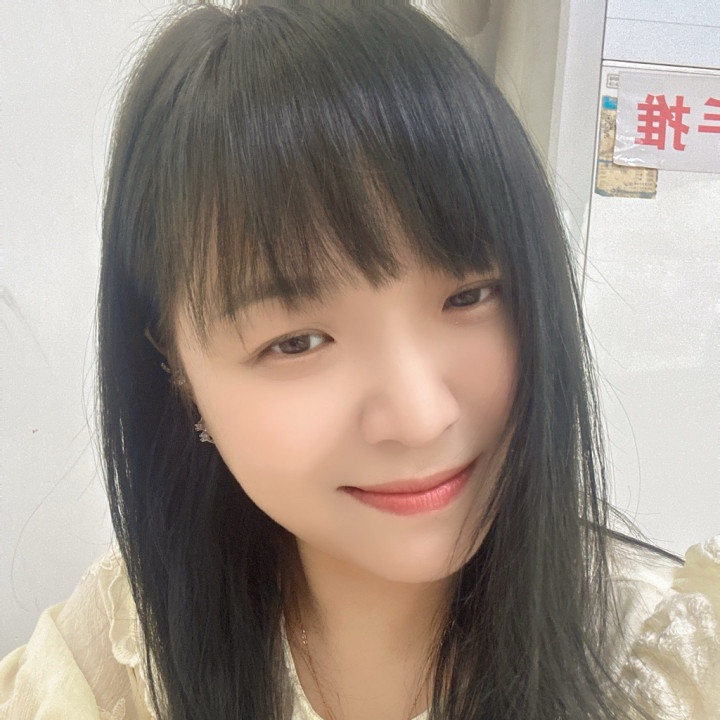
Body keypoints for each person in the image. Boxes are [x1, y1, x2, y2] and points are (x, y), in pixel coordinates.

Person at [1, 3, 718, 719]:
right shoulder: (118, 657)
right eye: (296, 342)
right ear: (178, 370)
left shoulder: (670, 671)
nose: (420, 417)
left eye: (469, 295)